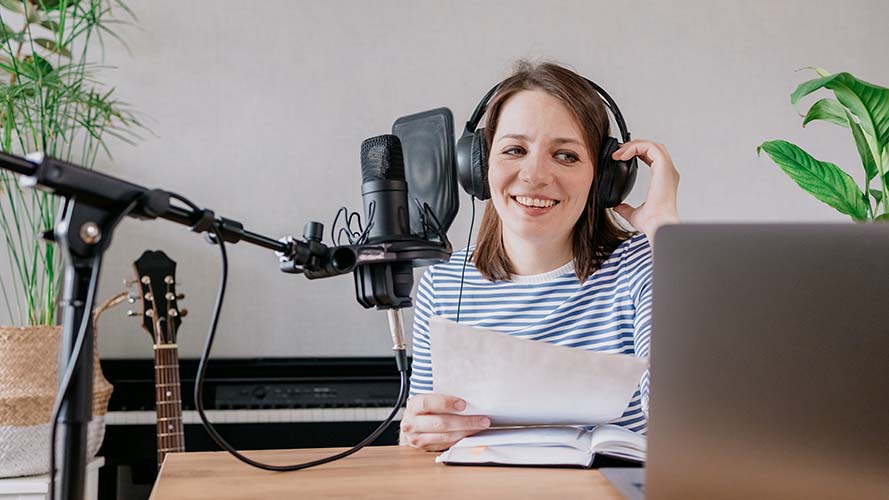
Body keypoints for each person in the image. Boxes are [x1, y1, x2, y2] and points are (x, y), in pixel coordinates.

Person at [400, 61, 680, 452]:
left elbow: (681, 418)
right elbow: (423, 437)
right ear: (477, 167)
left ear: (603, 178)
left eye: (565, 156)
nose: (534, 175)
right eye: (514, 150)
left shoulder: (642, 265)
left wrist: (665, 236)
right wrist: (420, 431)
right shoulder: (443, 284)